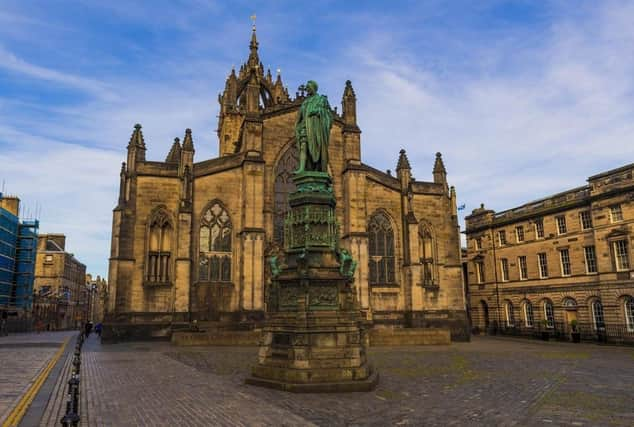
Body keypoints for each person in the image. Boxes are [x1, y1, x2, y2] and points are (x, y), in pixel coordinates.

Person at [294, 80, 333, 174]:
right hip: (304, 128)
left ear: (313, 87)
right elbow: (299, 119)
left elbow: (329, 115)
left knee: (318, 151)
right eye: (306, 88)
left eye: (308, 87)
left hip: (316, 131)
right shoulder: (305, 103)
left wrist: (318, 112)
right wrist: (297, 129)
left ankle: (317, 168)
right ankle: (302, 168)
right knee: (303, 147)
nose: (307, 89)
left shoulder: (321, 99)